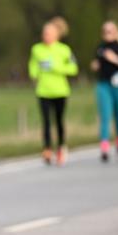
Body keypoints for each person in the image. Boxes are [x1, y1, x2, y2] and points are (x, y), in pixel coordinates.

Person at [27, 17, 77, 165]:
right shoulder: (36, 49)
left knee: (59, 121)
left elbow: (73, 69)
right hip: (43, 90)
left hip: (60, 91)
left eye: (49, 33)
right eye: (44, 33)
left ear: (56, 35)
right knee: (46, 122)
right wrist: (34, 73)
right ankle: (47, 148)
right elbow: (33, 66)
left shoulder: (64, 50)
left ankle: (61, 147)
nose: (46, 36)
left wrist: (55, 67)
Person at [91, 21, 118, 163]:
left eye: (110, 31)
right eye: (105, 31)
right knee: (105, 115)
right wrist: (95, 65)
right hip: (104, 84)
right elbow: (96, 63)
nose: (107, 34)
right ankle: (104, 147)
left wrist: (114, 59)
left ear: (116, 32)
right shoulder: (100, 48)